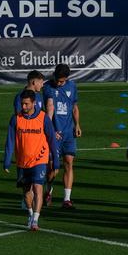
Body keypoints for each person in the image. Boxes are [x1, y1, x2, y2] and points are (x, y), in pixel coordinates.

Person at [4, 90, 60, 231]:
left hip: (40, 159)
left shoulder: (43, 118)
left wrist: (56, 161)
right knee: (26, 191)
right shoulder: (15, 119)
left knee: (37, 187)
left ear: (34, 103)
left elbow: (52, 139)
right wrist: (7, 160)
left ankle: (35, 219)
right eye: (22, 104)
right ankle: (30, 213)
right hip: (22, 161)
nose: (23, 107)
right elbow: (10, 141)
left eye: (26, 104)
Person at [44, 63, 82, 209]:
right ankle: (49, 190)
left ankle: (67, 199)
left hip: (68, 133)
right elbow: (49, 108)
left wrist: (77, 125)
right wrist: (51, 131)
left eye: (62, 81)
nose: (59, 83)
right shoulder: (48, 87)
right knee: (53, 167)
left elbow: (74, 107)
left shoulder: (72, 86)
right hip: (54, 133)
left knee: (69, 162)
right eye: (57, 80)